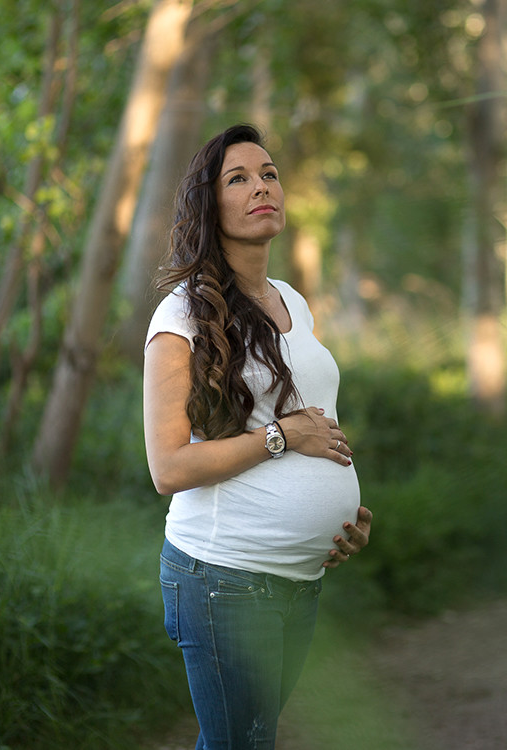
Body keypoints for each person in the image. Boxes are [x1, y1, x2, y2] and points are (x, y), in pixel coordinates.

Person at [142, 123, 372, 749]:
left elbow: (316, 426)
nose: (261, 186)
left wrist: (345, 515)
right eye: (237, 178)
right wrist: (282, 438)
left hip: (299, 578)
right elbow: (167, 468)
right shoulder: (182, 314)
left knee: (244, 740)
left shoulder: (291, 300)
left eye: (268, 173)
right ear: (208, 205)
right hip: (225, 576)